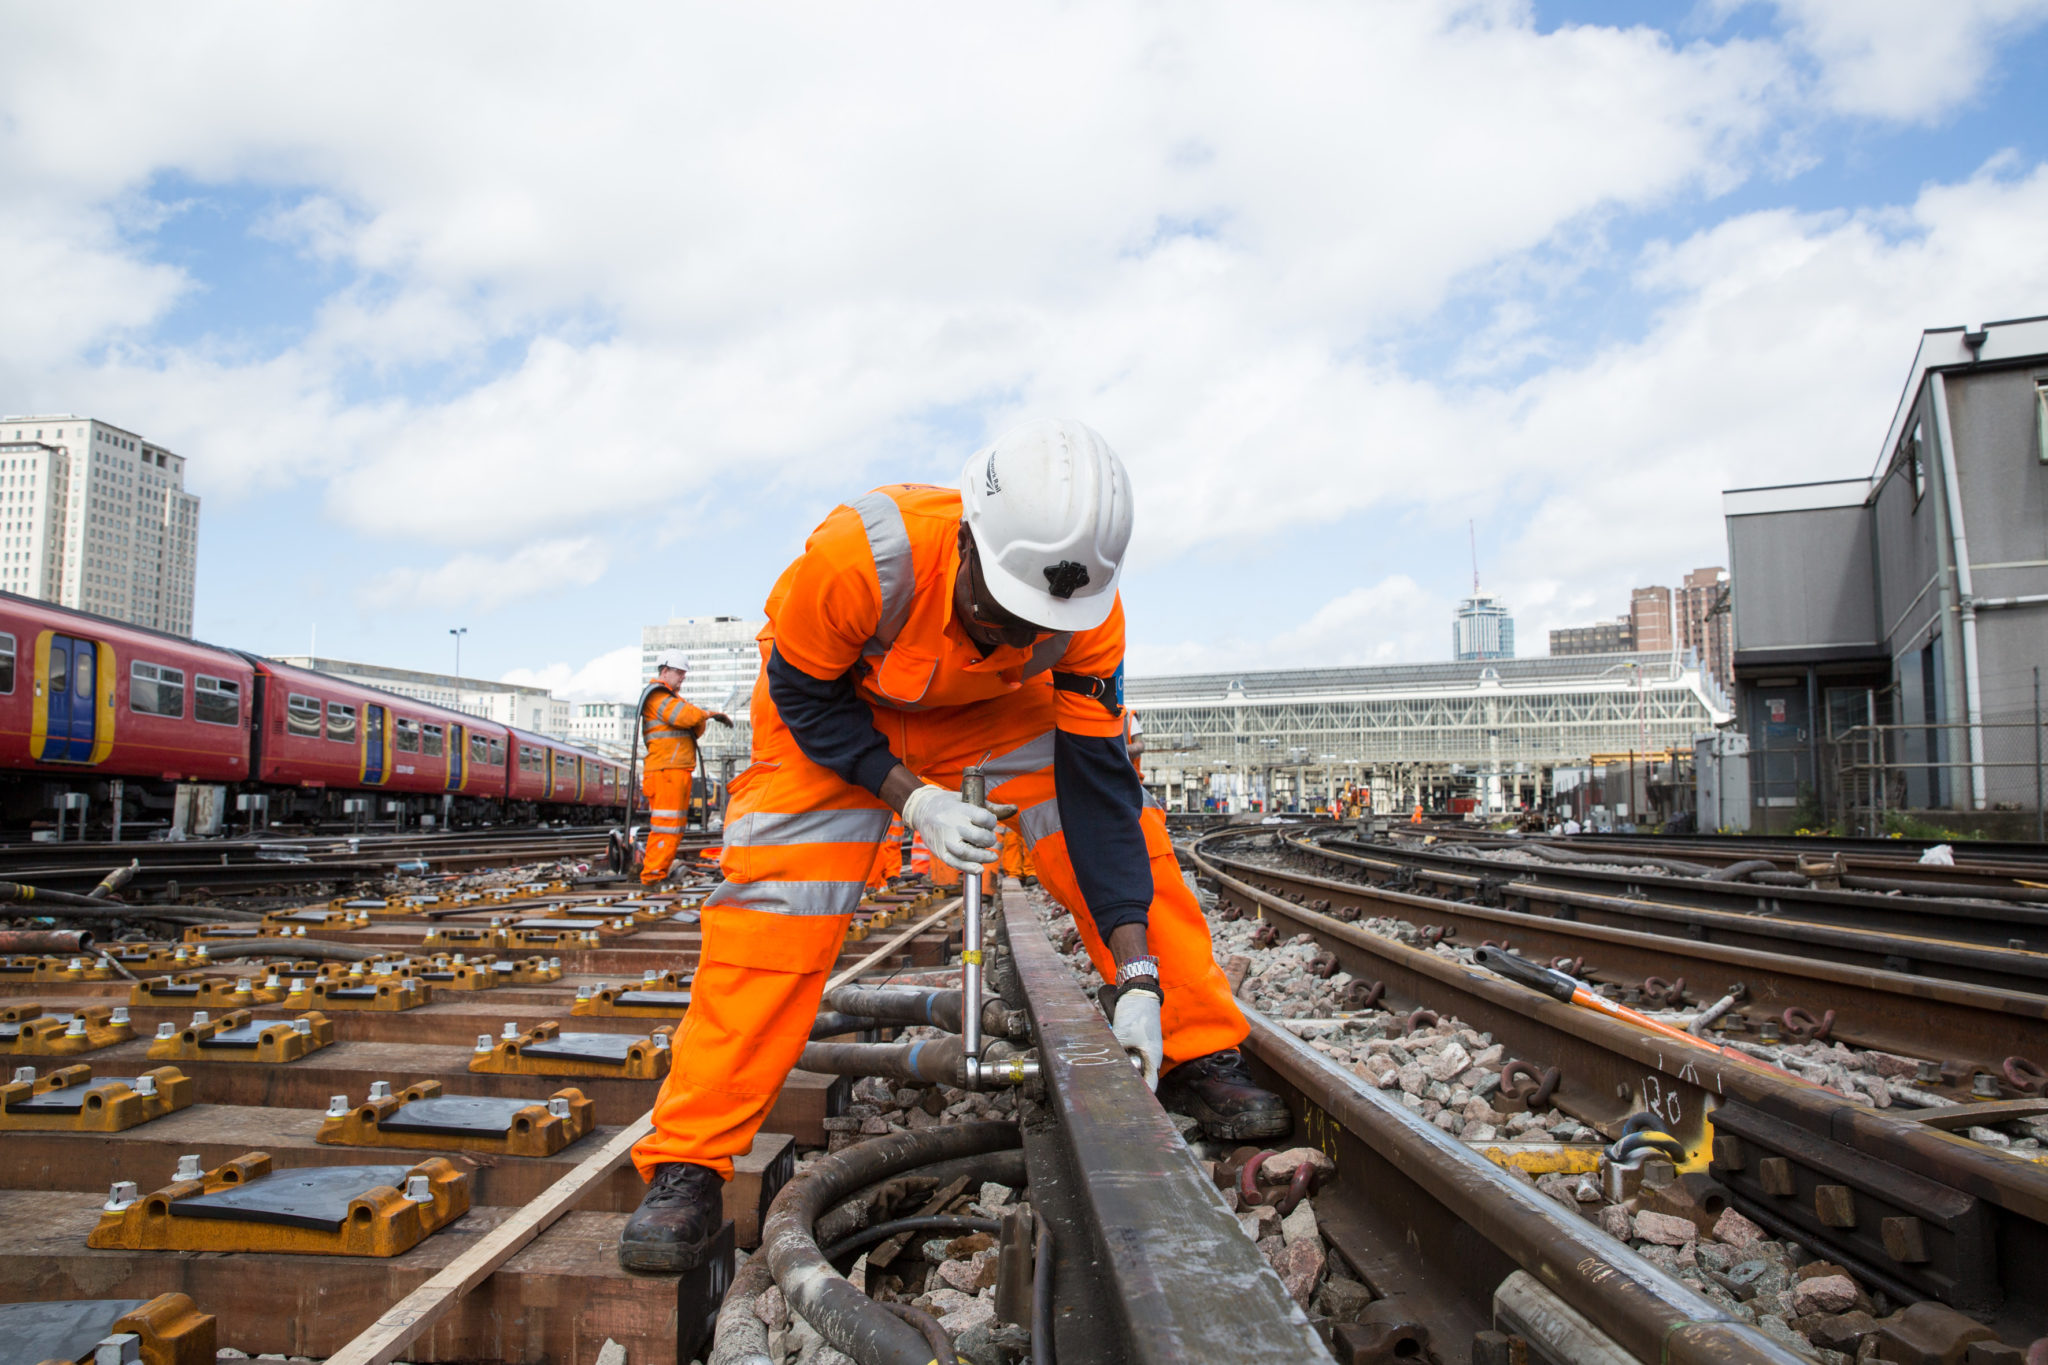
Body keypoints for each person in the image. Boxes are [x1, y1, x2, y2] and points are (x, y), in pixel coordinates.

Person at [619, 419, 1288, 1274]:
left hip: (998, 720)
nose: (1016, 638)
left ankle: (1194, 1043)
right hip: (837, 718)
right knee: (774, 911)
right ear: (968, 541)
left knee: (1139, 854)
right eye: (1003, 611)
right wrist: (911, 796)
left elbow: (1099, 796)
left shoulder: (1088, 615)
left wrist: (1138, 975)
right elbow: (802, 693)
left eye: (1038, 626)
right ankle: (689, 1159)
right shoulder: (862, 556)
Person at [636, 651, 731, 886]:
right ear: (664, 671)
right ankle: (652, 876)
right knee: (666, 827)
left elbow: (695, 727)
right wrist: (709, 714)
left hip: (675, 770)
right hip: (665, 770)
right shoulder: (658, 696)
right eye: (679, 672)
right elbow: (687, 717)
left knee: (674, 827)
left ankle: (659, 870)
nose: (682, 678)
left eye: (684, 673)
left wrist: (701, 718)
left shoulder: (671, 698)